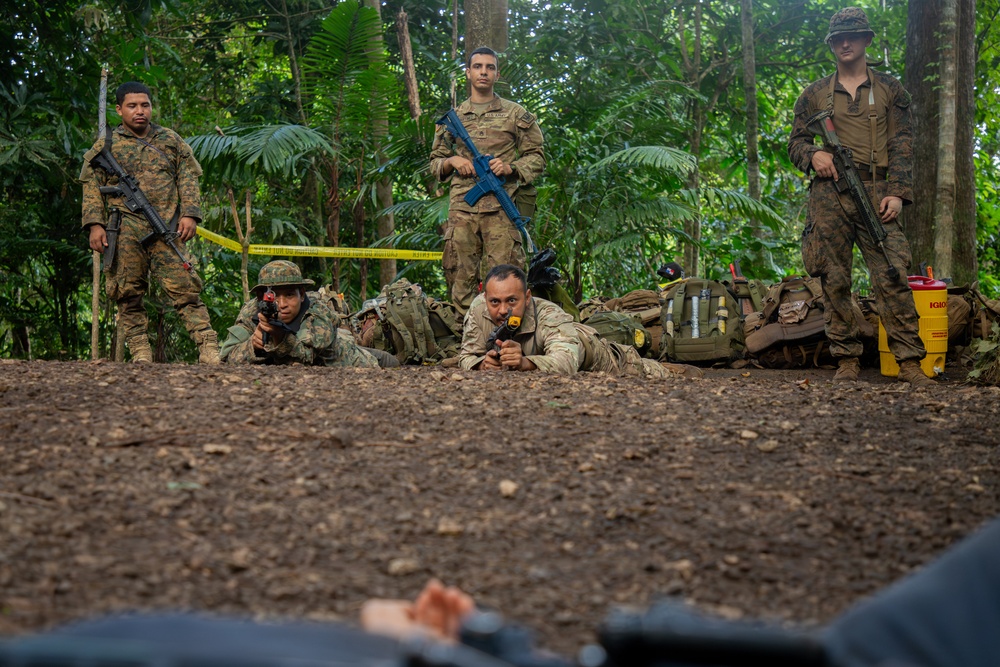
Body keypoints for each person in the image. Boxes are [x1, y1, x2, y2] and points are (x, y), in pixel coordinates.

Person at [787, 8, 933, 387]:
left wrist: (898, 193)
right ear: (832, 45)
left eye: (852, 37)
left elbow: (903, 145)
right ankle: (846, 361)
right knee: (833, 277)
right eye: (838, 39)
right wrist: (813, 155)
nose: (845, 44)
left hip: (878, 191)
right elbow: (796, 143)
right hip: (829, 194)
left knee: (892, 272)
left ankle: (910, 364)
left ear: (867, 40)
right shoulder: (814, 93)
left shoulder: (891, 89)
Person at [81, 81, 220, 364]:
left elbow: (188, 177)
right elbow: (91, 186)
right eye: (132, 106)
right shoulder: (106, 145)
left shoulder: (171, 140)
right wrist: (95, 225)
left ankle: (208, 347)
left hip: (167, 227)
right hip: (123, 229)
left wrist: (191, 214)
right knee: (127, 292)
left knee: (186, 289)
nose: (139, 111)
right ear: (119, 109)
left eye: (145, 105)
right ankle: (141, 351)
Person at [429, 46, 545, 316]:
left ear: (497, 73)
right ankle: (468, 345)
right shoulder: (453, 118)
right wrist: (452, 162)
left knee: (507, 281)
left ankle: (507, 343)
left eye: (490, 67)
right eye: (478, 67)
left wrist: (510, 167)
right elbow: (435, 161)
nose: (484, 72)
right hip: (462, 210)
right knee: (460, 277)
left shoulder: (515, 114)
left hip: (502, 210)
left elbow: (537, 157)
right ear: (468, 73)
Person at [458, 264, 700, 379]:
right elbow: (467, 355)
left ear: (528, 297)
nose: (503, 310)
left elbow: (567, 362)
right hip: (547, 353)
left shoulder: (548, 314)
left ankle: (670, 368)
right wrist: (483, 364)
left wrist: (524, 363)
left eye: (512, 300)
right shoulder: (478, 310)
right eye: (495, 302)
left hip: (590, 353)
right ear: (485, 298)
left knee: (641, 371)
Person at [219, 260, 380, 368]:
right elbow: (226, 356)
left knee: (390, 361)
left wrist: (280, 337)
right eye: (273, 296)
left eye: (289, 295)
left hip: (355, 361)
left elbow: (305, 357)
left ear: (302, 294)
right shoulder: (252, 311)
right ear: (262, 296)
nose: (281, 305)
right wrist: (253, 347)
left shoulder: (317, 312)